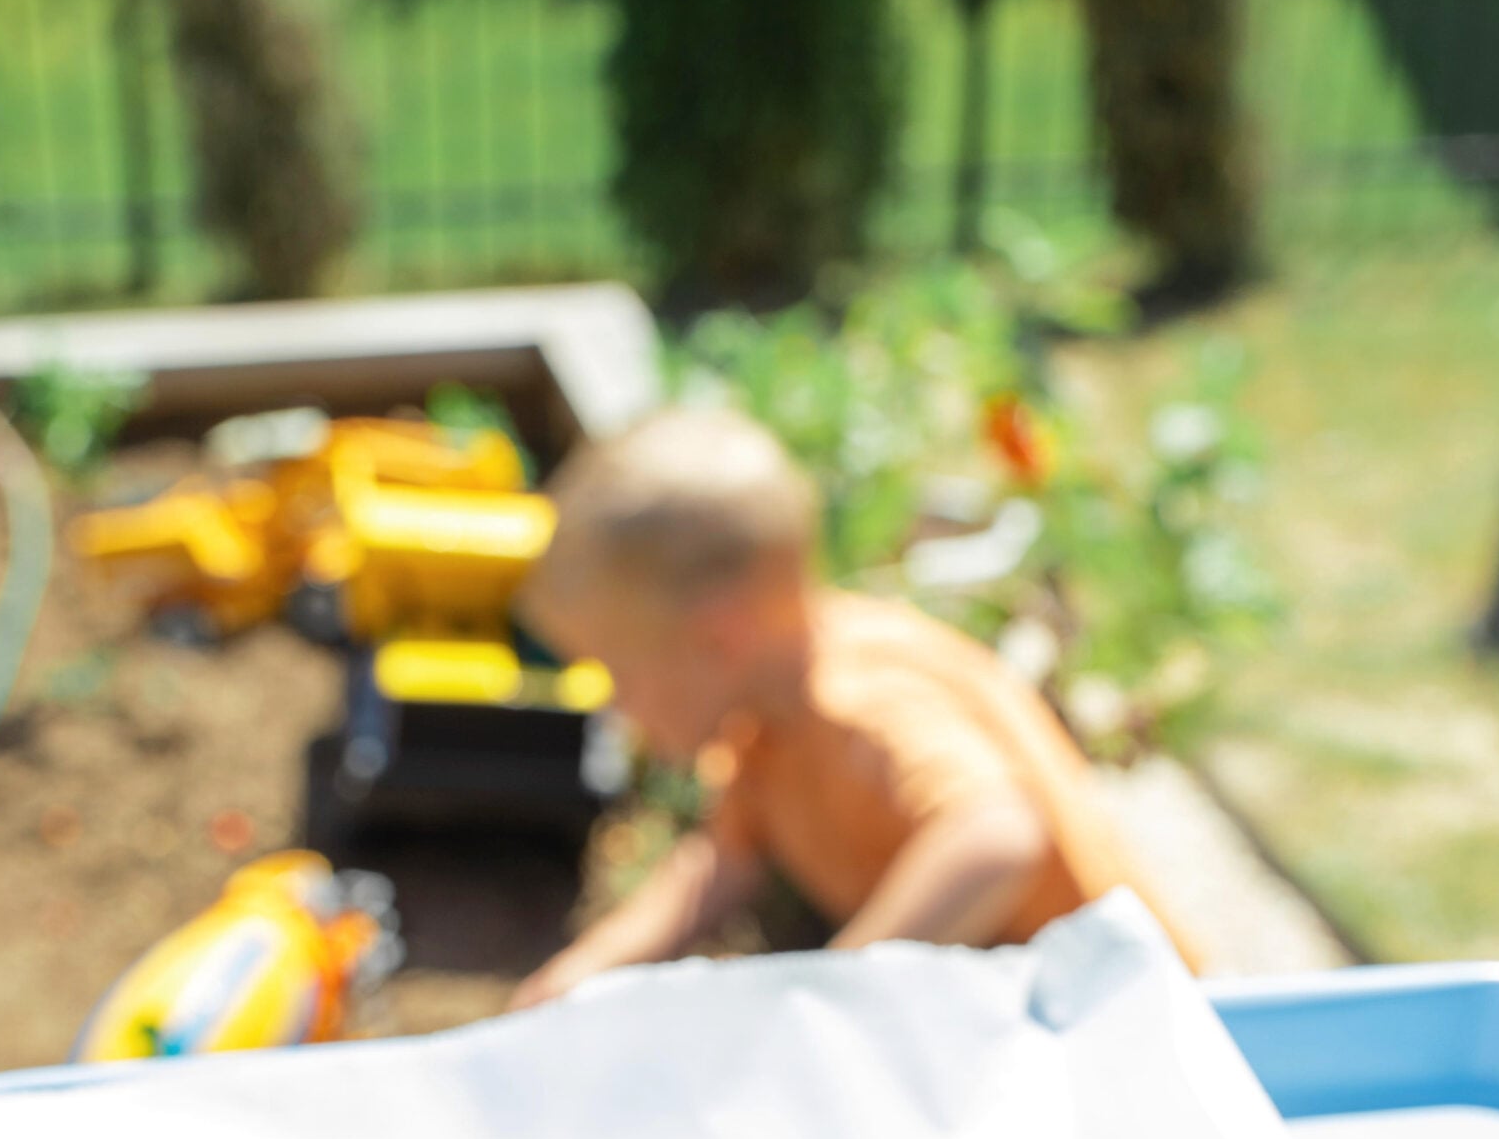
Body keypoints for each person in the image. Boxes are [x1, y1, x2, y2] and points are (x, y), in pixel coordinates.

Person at [509, 405, 1190, 1010]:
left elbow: (999, 837)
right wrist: (587, 972)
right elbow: (724, 860)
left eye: (616, 673)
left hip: (1133, 1014)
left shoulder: (861, 700)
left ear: (717, 640)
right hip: (1022, 1010)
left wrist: (832, 999)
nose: (612, 704)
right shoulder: (763, 717)